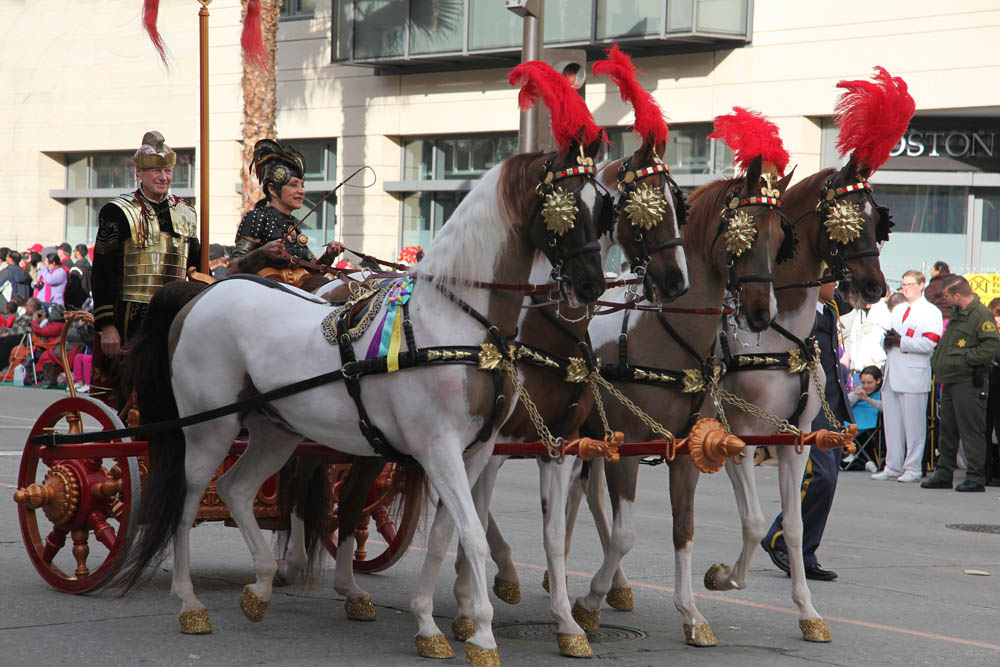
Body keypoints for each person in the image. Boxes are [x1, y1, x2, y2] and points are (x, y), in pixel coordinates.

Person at [91, 131, 200, 404]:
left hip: (174, 310)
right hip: (132, 315)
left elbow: (195, 267)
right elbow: (103, 271)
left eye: (167, 170)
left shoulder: (186, 212)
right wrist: (107, 325)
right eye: (155, 171)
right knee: (130, 391)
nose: (163, 176)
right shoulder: (117, 211)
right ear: (139, 172)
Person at [761, 279, 853, 581]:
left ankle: (804, 550)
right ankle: (780, 539)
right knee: (820, 476)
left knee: (829, 479)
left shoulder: (829, 308)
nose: (836, 284)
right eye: (830, 277)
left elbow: (858, 294)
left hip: (833, 405)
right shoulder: (799, 312)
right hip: (810, 407)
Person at [922, 275, 1000, 492]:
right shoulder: (958, 315)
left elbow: (991, 346)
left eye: (947, 295)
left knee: (971, 430)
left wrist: (965, 360)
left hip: (968, 381)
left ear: (958, 295)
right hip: (951, 380)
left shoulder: (979, 315)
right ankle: (943, 474)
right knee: (948, 430)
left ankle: (976, 477)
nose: (944, 299)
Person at [227, 139, 342, 280]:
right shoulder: (257, 217)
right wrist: (262, 253)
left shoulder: (293, 225)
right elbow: (232, 268)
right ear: (273, 190)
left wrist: (329, 254)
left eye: (302, 185)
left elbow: (314, 272)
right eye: (294, 185)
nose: (301, 191)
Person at [872, 270, 942, 482]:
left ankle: (912, 467)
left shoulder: (931, 312)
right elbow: (889, 337)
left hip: (913, 374)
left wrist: (901, 342)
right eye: (904, 284)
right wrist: (888, 342)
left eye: (911, 284)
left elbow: (930, 343)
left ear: (921, 285)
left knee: (914, 427)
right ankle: (892, 465)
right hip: (893, 372)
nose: (906, 288)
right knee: (892, 425)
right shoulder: (899, 310)